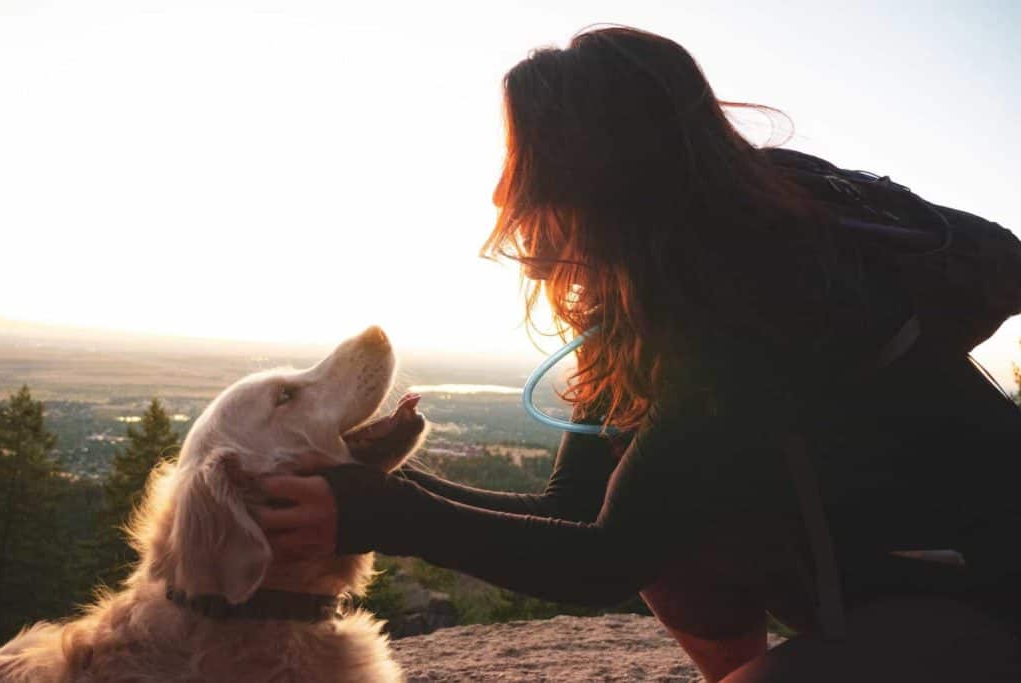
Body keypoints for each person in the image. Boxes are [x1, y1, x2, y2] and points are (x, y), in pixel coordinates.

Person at [253, 26, 1021, 682]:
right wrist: (377, 484)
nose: (501, 196)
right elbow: (577, 513)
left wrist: (382, 512)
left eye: (530, 164)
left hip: (983, 594)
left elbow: (604, 562)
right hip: (867, 578)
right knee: (661, 532)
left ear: (609, 176)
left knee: (653, 542)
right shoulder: (642, 302)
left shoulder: (768, 298)